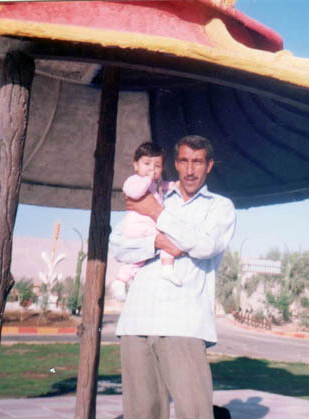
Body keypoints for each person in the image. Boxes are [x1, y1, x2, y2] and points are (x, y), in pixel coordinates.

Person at [109, 135, 236, 419]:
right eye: (184, 161)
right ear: (175, 164)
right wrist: (158, 242)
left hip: (183, 325)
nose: (190, 170)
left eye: (198, 162)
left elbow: (205, 245)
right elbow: (118, 245)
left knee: (194, 413)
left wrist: (157, 214)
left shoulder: (219, 207)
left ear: (209, 165)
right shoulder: (154, 193)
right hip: (137, 321)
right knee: (141, 414)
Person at [111, 142, 177, 302]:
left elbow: (163, 185)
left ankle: (121, 280)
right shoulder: (134, 180)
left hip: (149, 225)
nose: (152, 169)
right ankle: (167, 268)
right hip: (138, 226)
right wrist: (147, 180)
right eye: (147, 164)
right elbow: (134, 193)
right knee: (168, 238)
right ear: (136, 165)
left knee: (139, 259)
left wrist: (174, 185)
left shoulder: (156, 183)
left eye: (157, 166)